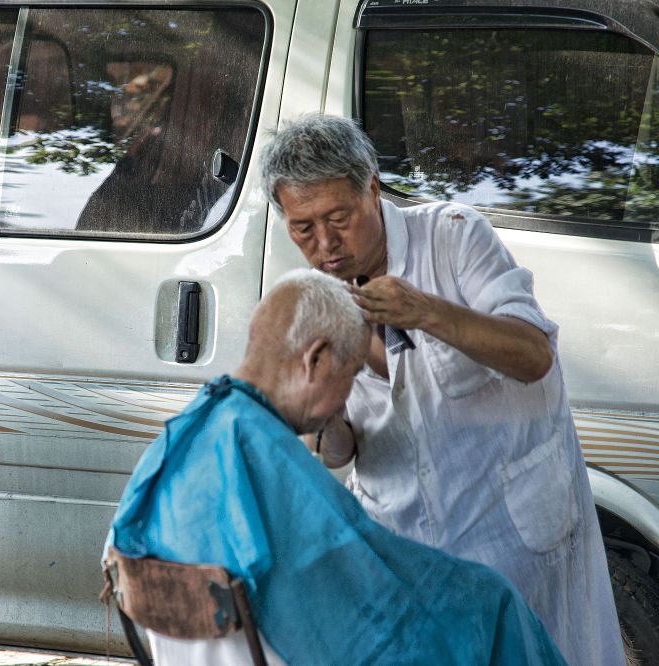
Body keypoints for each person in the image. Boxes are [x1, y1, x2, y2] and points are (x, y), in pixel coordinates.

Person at [258, 113, 623, 664]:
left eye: (339, 218)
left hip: (513, 549)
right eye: (303, 229)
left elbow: (534, 356)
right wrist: (322, 415)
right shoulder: (312, 302)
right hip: (407, 556)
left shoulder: (453, 238)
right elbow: (339, 452)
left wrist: (425, 311)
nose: (326, 244)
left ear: (373, 188)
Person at [106, 269, 565, 666]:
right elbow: (375, 624)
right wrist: (489, 601)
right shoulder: (261, 454)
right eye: (348, 376)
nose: (343, 403)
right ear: (317, 358)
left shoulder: (185, 432)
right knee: (491, 610)